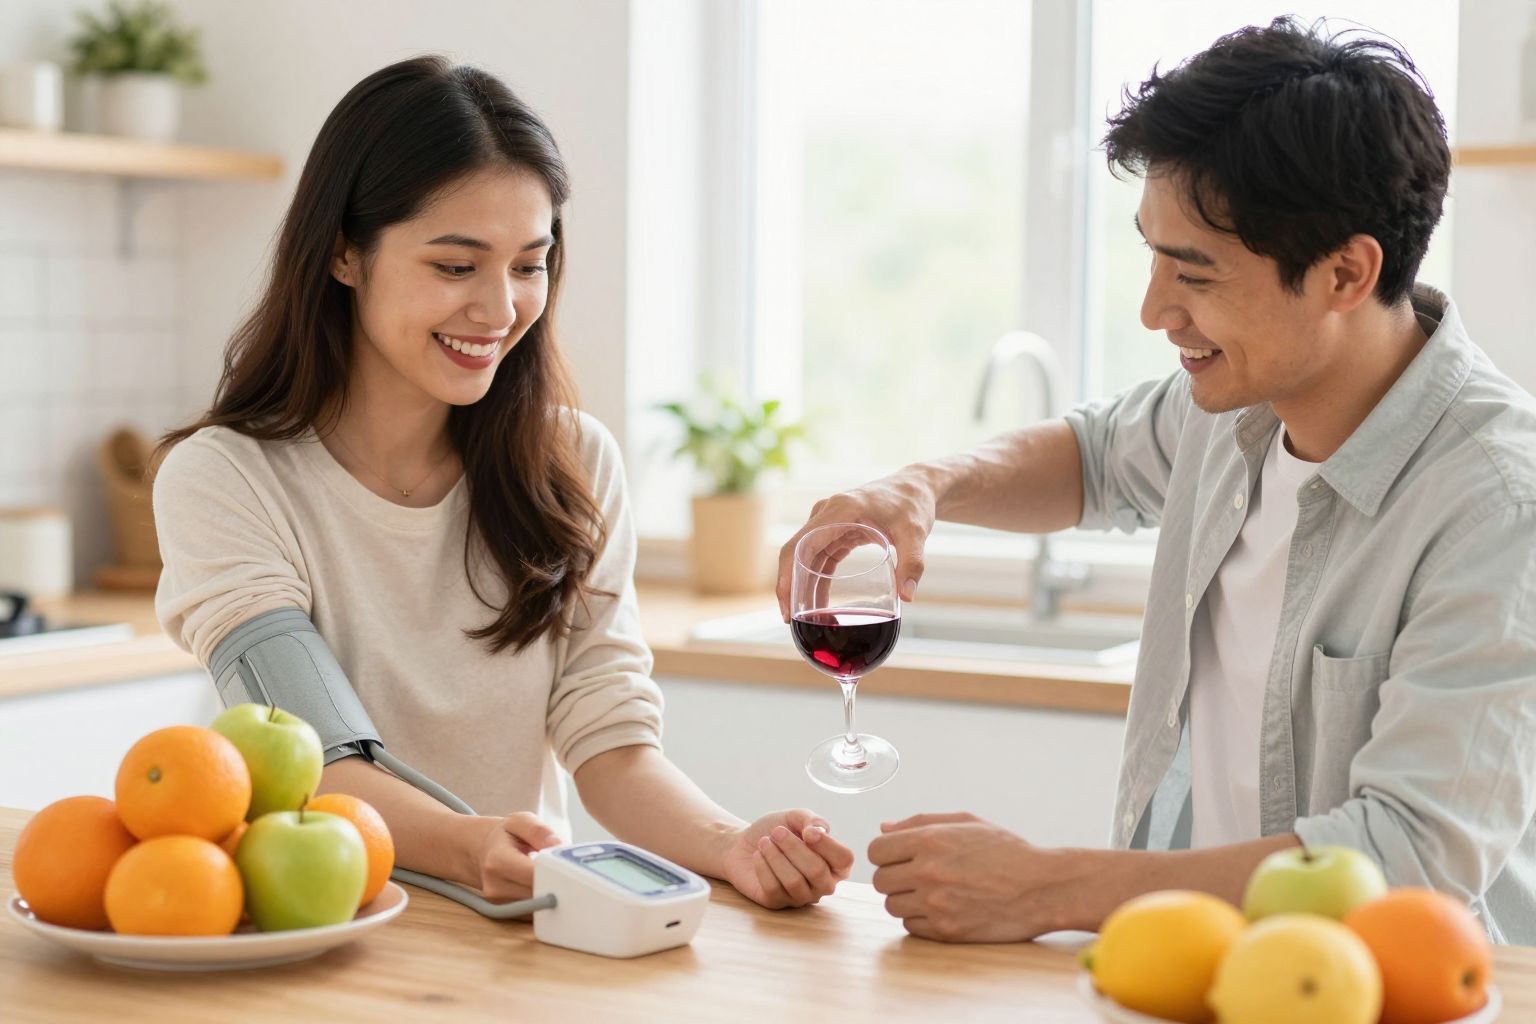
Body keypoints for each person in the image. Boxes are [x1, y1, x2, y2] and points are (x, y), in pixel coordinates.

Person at [779, 17, 1536, 943]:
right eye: (1150, 255)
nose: (1153, 309)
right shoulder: (1240, 403)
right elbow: (1093, 457)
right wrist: (926, 485)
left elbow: (1407, 855)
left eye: (1196, 275)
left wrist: (1048, 887)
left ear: (1345, 272)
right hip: (1205, 973)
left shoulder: (1499, 504)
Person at [154, 56, 853, 911]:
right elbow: (314, 755)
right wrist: (464, 843)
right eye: (456, 267)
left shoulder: (573, 465)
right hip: (317, 929)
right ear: (343, 252)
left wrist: (731, 845)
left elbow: (610, 741)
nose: (500, 309)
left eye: (530, 264)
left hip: (515, 940)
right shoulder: (226, 480)